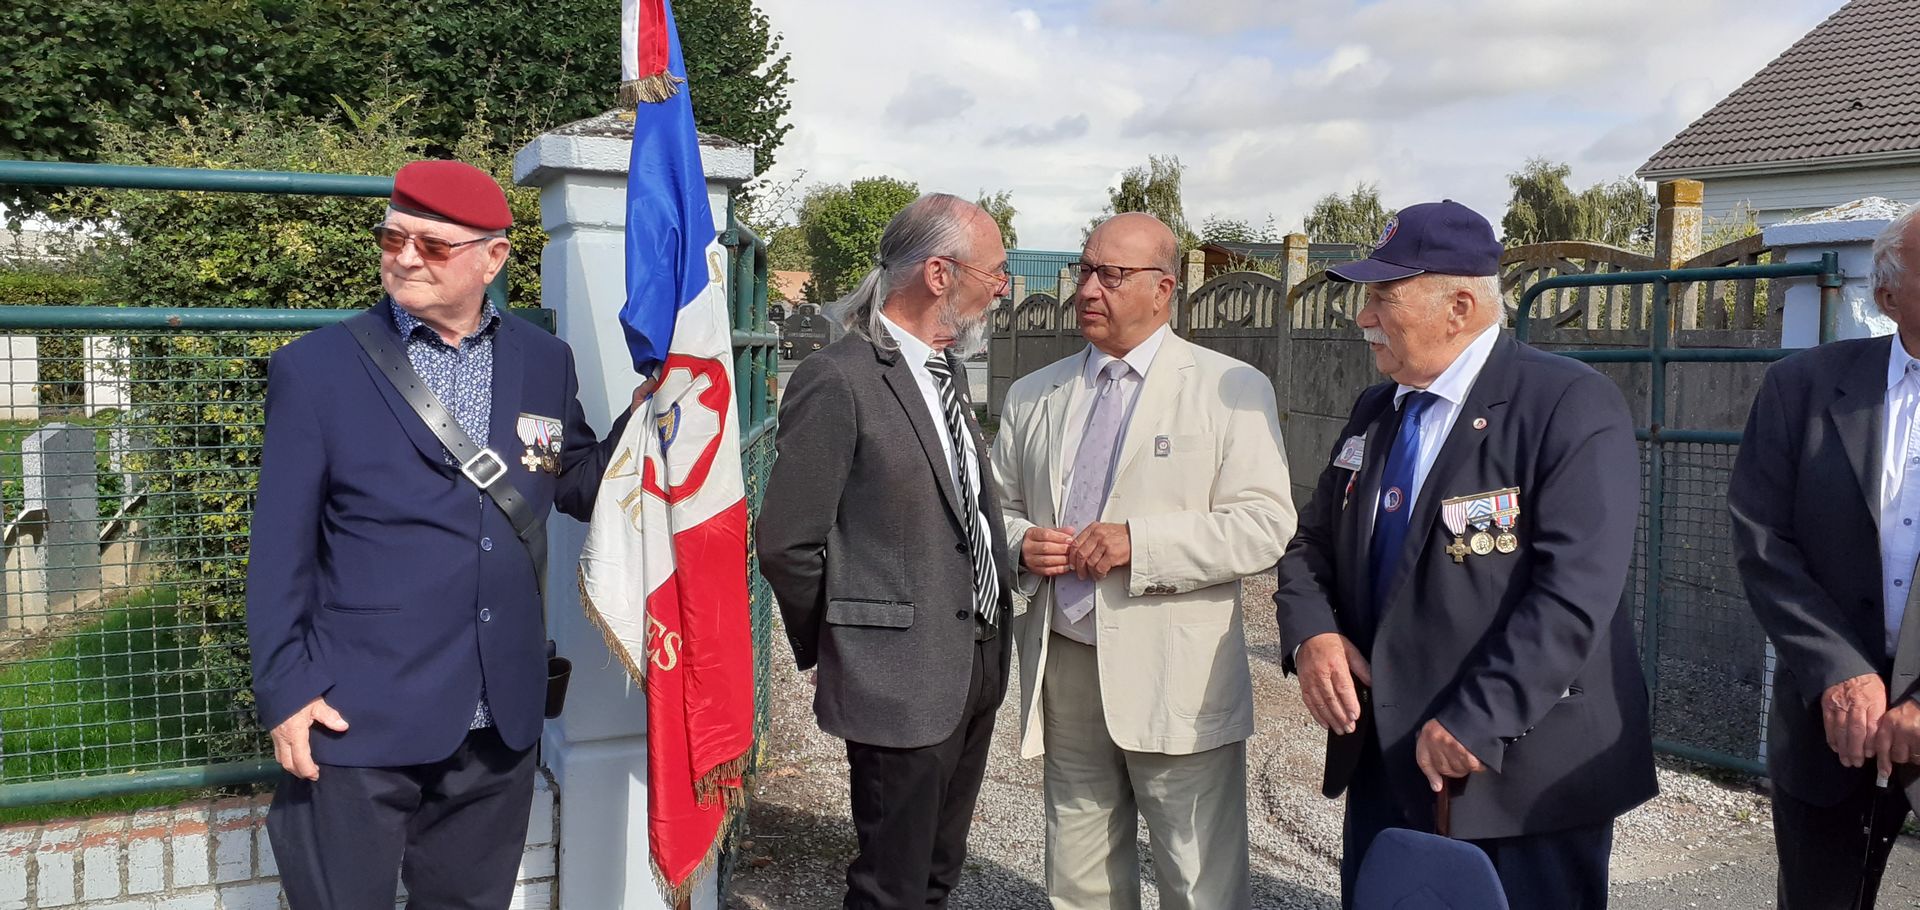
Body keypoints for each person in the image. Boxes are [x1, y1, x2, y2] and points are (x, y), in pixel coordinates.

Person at [245, 159, 632, 909]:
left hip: (498, 715)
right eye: (393, 238)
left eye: (432, 244)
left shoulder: (544, 361)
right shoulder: (317, 369)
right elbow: (280, 552)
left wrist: (656, 407)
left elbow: (576, 481)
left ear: (494, 257)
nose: (406, 257)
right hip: (357, 713)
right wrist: (286, 691)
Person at [1272, 200, 1657, 909]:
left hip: (1514, 772)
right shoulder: (1376, 410)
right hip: (1387, 757)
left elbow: (1574, 592)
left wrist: (1479, 718)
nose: (1363, 317)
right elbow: (1310, 547)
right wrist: (1313, 634)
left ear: (1458, 307)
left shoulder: (1567, 403)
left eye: (1384, 297)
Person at [991, 212, 1295, 910]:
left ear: (1163, 289)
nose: (1087, 289)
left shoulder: (1230, 388)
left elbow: (1265, 526)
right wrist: (1020, 542)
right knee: (1079, 870)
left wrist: (1142, 543)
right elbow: (996, 509)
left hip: (1176, 673)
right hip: (1066, 661)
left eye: (1111, 275)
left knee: (1197, 876)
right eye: (1084, 271)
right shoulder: (1034, 394)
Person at [755, 193, 1015, 910]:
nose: (1002, 290)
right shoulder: (839, 378)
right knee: (890, 888)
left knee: (937, 874)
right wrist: (846, 644)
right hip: (897, 677)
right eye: (995, 273)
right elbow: (786, 542)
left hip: (976, 662)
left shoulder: (944, 372)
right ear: (939, 274)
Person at [1730, 206, 1920, 909]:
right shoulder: (1801, 388)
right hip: (1829, 726)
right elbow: (1762, 538)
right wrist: (1839, 670)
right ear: (1889, 295)